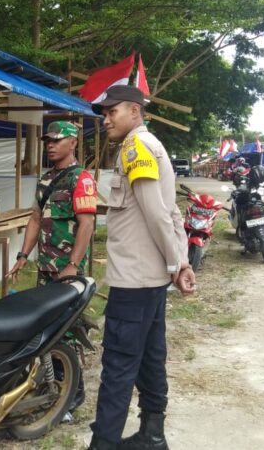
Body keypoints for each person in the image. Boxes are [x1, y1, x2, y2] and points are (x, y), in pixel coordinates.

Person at [88, 85, 196, 450]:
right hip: (149, 280)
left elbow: (156, 212)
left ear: (134, 110)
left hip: (134, 282)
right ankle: (153, 434)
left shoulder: (136, 148)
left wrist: (176, 262)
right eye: (103, 114)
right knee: (151, 357)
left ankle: (103, 444)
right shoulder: (150, 145)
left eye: (111, 112)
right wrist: (178, 261)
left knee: (118, 367)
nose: (105, 120)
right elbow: (171, 211)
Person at [7, 120, 97, 286]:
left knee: (68, 312)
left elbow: (87, 225)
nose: (50, 145)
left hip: (67, 269)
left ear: (72, 143)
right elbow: (35, 219)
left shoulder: (81, 179)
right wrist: (23, 255)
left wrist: (73, 265)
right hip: (45, 267)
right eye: (48, 141)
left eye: (56, 140)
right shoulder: (45, 179)